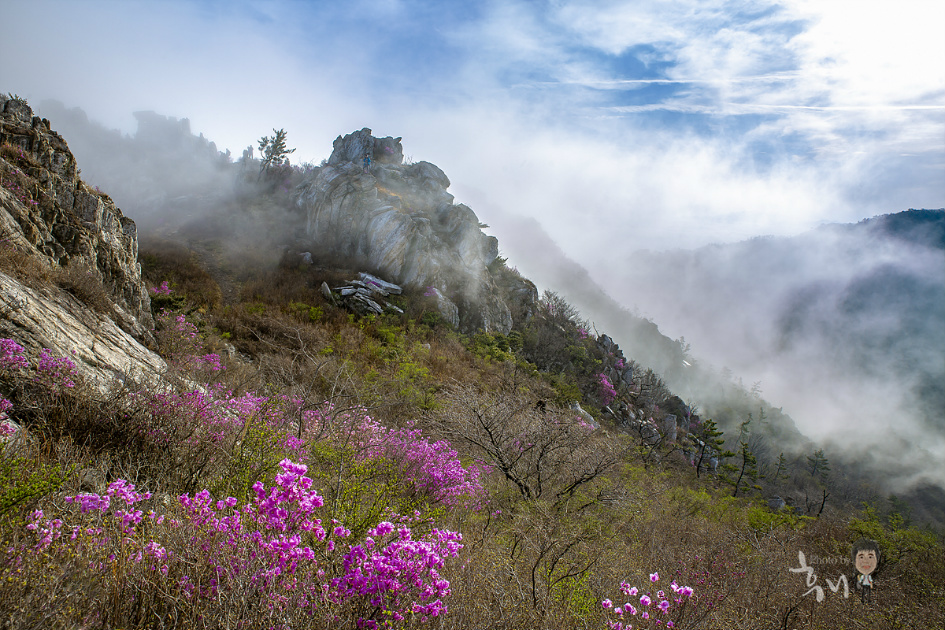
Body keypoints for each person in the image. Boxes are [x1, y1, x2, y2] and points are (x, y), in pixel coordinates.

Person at [852, 538, 880, 603]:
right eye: (861, 557)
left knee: (868, 592)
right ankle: (863, 599)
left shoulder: (869, 576)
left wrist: (871, 585)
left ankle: (868, 599)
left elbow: (870, 581)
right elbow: (860, 580)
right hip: (864, 584)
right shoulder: (863, 576)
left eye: (870, 557)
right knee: (864, 592)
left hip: (867, 584)